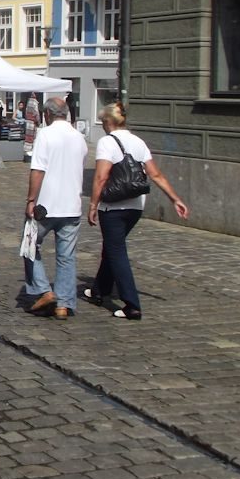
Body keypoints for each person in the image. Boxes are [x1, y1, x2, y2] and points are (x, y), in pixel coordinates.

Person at [85, 103, 189, 321]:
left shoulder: (106, 142)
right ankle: (98, 291)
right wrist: (175, 199)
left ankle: (131, 304)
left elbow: (101, 177)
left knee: (116, 251)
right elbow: (156, 174)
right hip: (135, 207)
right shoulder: (138, 142)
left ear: (107, 122)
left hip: (113, 206)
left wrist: (93, 204)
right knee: (112, 248)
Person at [24, 97, 88, 320]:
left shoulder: (46, 134)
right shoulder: (79, 137)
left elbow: (38, 169)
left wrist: (31, 199)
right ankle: (64, 304)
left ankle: (44, 291)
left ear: (47, 115)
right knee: (66, 256)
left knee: (30, 247)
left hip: (46, 206)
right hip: (71, 205)